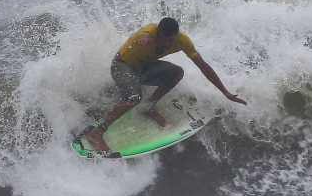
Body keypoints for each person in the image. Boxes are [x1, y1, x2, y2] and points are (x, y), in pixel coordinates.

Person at [86, 17, 247, 153]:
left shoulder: (183, 41)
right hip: (122, 65)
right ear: (158, 34)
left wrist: (225, 92)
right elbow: (145, 32)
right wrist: (143, 39)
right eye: (162, 40)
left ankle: (150, 105)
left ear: (177, 35)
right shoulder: (149, 32)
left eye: (170, 40)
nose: (166, 44)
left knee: (177, 73)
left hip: (144, 68)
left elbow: (203, 66)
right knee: (134, 98)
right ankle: (97, 132)